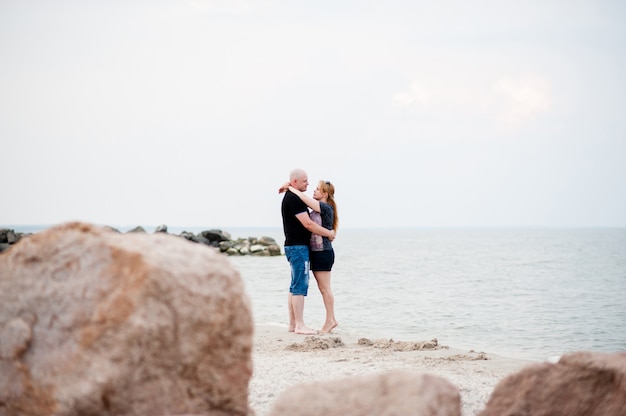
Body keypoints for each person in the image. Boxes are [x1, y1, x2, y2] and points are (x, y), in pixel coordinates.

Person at [280, 168, 335, 335]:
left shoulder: (324, 208)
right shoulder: (296, 199)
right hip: (298, 248)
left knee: (304, 286)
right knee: (298, 286)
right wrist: (329, 233)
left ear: (325, 194)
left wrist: (290, 187)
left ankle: (303, 323)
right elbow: (309, 225)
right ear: (296, 182)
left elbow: (305, 204)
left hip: (318, 251)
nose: (309, 185)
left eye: (316, 188)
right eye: (305, 181)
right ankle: (298, 325)